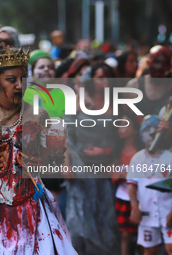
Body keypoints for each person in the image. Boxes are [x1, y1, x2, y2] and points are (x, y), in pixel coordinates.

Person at [0, 44, 76, 254]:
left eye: (23, 79)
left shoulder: (39, 117)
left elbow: (47, 164)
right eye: (11, 80)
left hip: (30, 209)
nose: (20, 85)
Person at [64, 63, 121, 255]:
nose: (105, 81)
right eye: (100, 77)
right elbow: (66, 137)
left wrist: (108, 154)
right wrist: (67, 165)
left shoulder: (117, 102)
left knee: (105, 217)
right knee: (80, 220)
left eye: (107, 76)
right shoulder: (76, 102)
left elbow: (124, 137)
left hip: (106, 168)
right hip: (81, 167)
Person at [127, 115, 172, 255]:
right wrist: (134, 207)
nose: (151, 134)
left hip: (168, 212)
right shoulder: (137, 158)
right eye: (147, 130)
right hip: (147, 213)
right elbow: (132, 185)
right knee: (150, 249)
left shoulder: (169, 157)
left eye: (154, 131)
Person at [112, 112, 143, 255]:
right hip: (122, 195)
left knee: (142, 235)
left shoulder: (140, 153)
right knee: (125, 234)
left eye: (125, 125)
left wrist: (126, 175)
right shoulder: (116, 150)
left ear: (136, 130)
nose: (121, 128)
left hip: (139, 197)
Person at [126, 45, 171, 115]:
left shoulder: (169, 88)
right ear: (149, 63)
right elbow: (127, 115)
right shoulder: (134, 85)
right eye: (156, 62)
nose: (159, 67)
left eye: (163, 64)